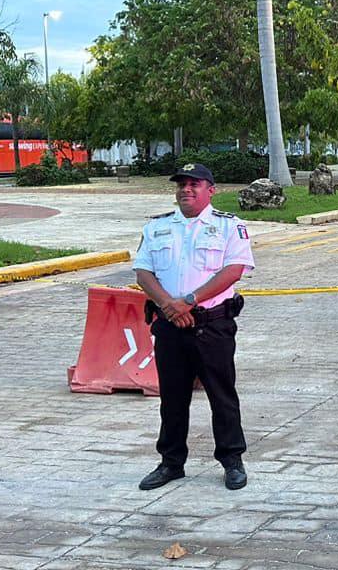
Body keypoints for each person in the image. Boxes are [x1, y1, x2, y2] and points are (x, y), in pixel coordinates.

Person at [132, 163, 255, 491]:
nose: (186, 189)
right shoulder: (157, 227)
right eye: (181, 185)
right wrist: (169, 307)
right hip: (170, 326)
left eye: (194, 184)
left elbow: (234, 270)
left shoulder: (229, 226)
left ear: (210, 190)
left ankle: (232, 460)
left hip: (211, 325)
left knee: (222, 395)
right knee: (172, 398)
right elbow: (143, 273)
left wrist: (189, 300)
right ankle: (171, 462)